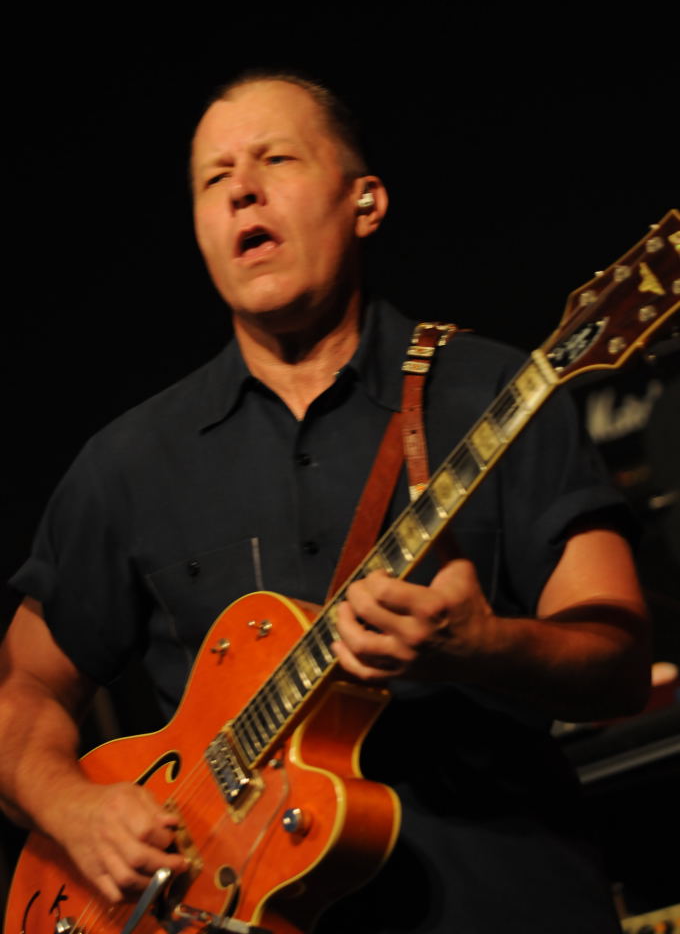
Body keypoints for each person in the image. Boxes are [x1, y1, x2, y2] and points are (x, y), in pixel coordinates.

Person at [0, 71, 650, 933]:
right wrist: (75, 807)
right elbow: (22, 695)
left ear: (364, 202)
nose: (242, 189)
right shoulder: (127, 464)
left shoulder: (498, 392)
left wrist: (483, 646)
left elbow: (620, 663)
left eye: (276, 159)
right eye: (214, 177)